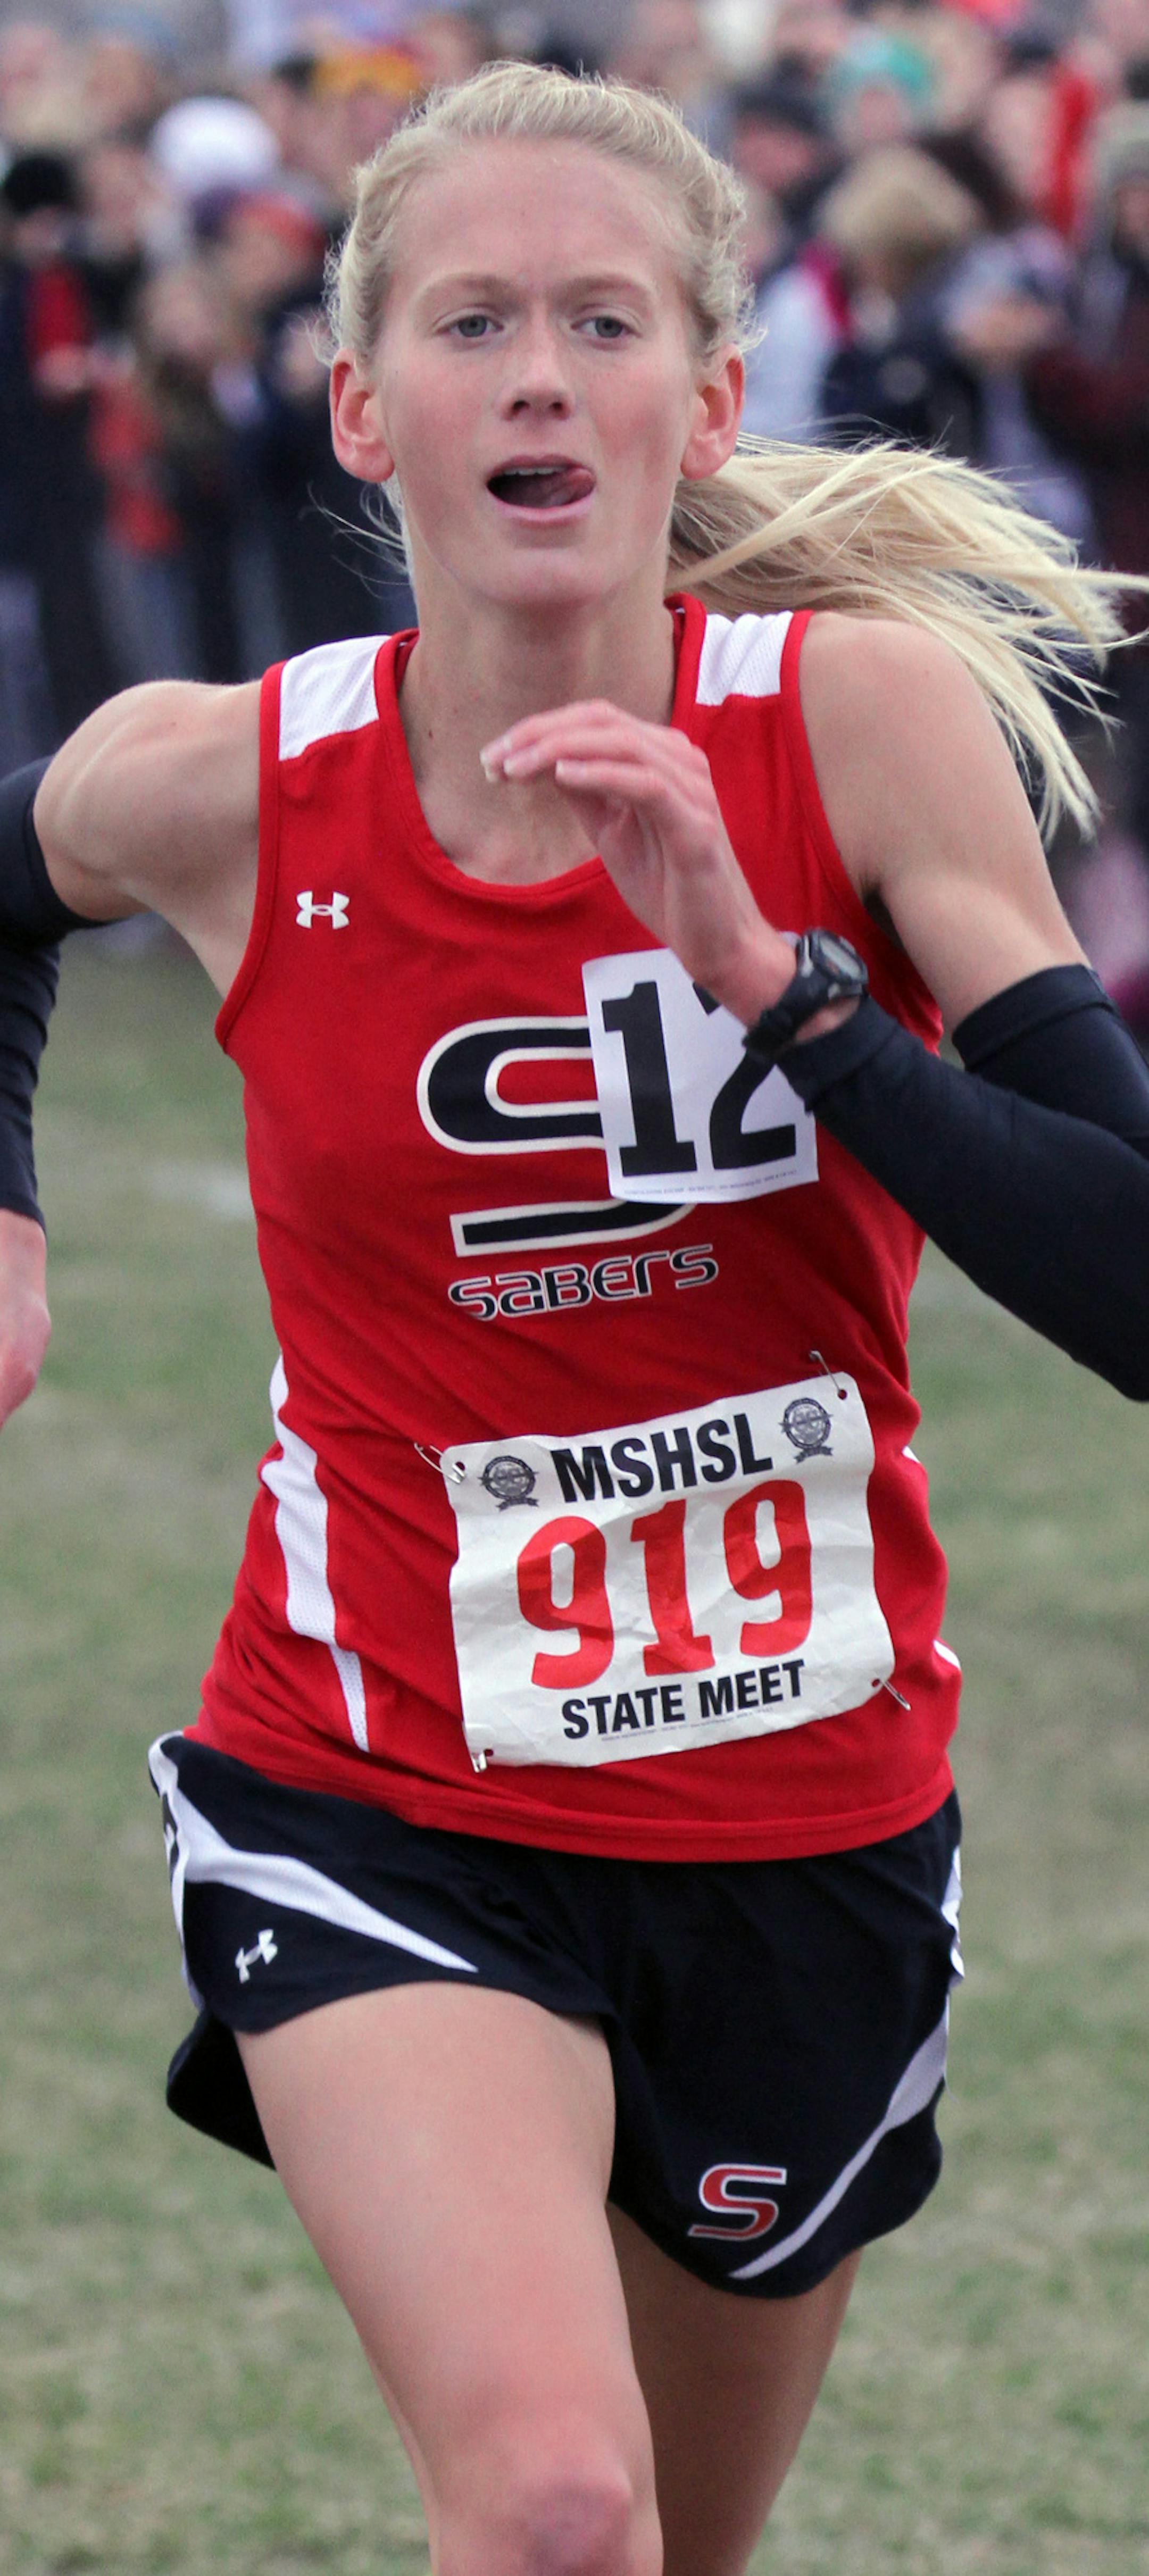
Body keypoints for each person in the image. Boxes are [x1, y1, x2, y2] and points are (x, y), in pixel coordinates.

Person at [2, 61, 1148, 2576]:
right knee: (544, 2509)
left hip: (804, 1812)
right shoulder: (222, 779)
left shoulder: (855, 721)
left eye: (603, 319)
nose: (539, 371)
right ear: (359, 400)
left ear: (705, 398)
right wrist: (13, 1213)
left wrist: (787, 991)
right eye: (473, 319)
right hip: (380, 1780)